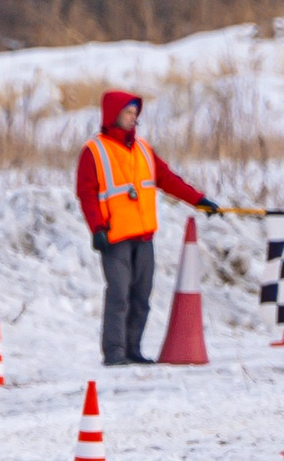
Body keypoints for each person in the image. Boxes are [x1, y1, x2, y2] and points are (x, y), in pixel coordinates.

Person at [76, 91, 219, 366]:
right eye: (128, 113)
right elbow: (87, 193)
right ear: (114, 114)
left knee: (141, 297)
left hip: (144, 235)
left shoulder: (143, 148)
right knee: (119, 295)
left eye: (135, 113)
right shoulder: (94, 151)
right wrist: (96, 228)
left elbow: (167, 179)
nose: (133, 118)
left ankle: (133, 350)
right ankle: (115, 352)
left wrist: (198, 200)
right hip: (115, 237)